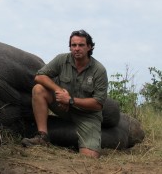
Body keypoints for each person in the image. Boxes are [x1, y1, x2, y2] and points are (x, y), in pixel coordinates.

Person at [21, 29, 108, 158]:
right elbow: (39, 76)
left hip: (87, 115)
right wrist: (59, 92)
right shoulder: (62, 59)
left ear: (89, 47)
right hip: (63, 106)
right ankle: (42, 137)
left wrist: (70, 100)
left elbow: (98, 104)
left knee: (89, 157)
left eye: (81, 45)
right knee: (38, 89)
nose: (77, 49)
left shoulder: (99, 70)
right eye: (73, 45)